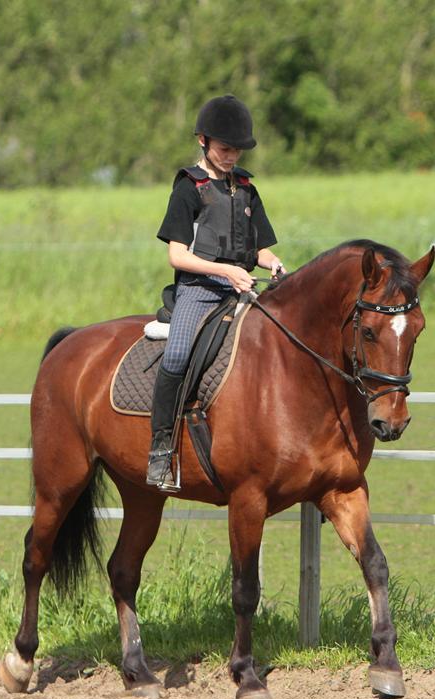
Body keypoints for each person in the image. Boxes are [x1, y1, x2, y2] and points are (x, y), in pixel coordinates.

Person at [148, 94, 285, 490]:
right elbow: (177, 256)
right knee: (176, 353)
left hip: (243, 288)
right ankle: (160, 449)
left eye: (237, 150)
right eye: (225, 149)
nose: (231, 157)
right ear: (203, 141)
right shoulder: (188, 188)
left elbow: (259, 249)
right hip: (200, 289)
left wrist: (273, 263)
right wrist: (225, 271)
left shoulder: (246, 190)